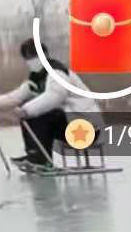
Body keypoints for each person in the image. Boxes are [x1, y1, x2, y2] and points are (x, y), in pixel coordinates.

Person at [0, 38, 99, 167]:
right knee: (28, 115)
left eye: (35, 56)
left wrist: (25, 111)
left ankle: (40, 159)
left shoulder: (58, 72)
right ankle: (35, 155)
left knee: (41, 115)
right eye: (28, 58)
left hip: (86, 128)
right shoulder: (37, 78)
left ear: (45, 55)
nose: (32, 61)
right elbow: (13, 98)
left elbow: (54, 96)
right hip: (68, 124)